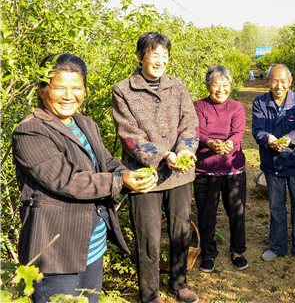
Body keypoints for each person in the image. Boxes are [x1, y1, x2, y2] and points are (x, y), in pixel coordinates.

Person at [12, 53, 157, 303]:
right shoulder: (31, 130)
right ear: (42, 87)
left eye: (76, 87)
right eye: (60, 88)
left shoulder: (84, 123)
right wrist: (119, 182)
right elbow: (67, 180)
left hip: (92, 245)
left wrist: (127, 174)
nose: (69, 96)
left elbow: (106, 161)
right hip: (56, 254)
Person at [112, 32, 200, 303]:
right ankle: (149, 294)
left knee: (180, 229)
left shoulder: (178, 85)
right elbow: (129, 135)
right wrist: (164, 155)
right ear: (140, 56)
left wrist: (184, 150)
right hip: (145, 175)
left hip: (179, 174)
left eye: (165, 55)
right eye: (154, 54)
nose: (160, 61)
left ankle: (179, 282)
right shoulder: (123, 90)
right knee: (148, 236)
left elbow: (190, 122)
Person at [252, 64, 295, 264]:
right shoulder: (260, 102)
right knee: (276, 206)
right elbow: (257, 129)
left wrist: (289, 139)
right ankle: (277, 245)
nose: (279, 85)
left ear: (290, 81)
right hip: (272, 163)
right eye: (274, 81)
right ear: (268, 81)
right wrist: (268, 138)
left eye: (283, 81)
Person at [193, 65, 248, 273]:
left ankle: (237, 250)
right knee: (207, 214)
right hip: (206, 170)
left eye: (225, 85)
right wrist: (212, 144)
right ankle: (208, 253)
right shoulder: (198, 106)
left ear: (231, 86)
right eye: (216, 85)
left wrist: (228, 145)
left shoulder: (236, 107)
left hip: (233, 168)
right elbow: (199, 132)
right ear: (208, 85)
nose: (221, 89)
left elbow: (238, 133)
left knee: (237, 212)